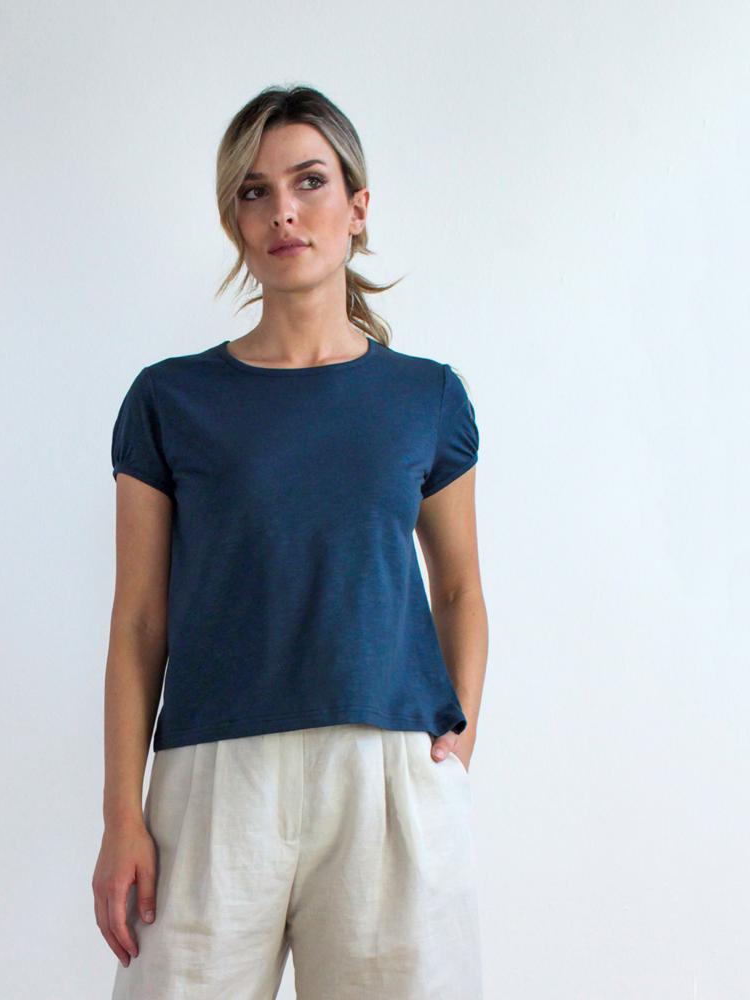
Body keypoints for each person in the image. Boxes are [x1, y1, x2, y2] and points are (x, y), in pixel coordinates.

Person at [92, 84, 488, 1000]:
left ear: (357, 206)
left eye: (309, 182)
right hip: (212, 778)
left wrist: (454, 756)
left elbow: (460, 590)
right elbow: (139, 620)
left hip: (386, 771)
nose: (283, 211)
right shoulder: (170, 399)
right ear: (235, 220)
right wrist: (122, 816)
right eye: (254, 192)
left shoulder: (425, 397)